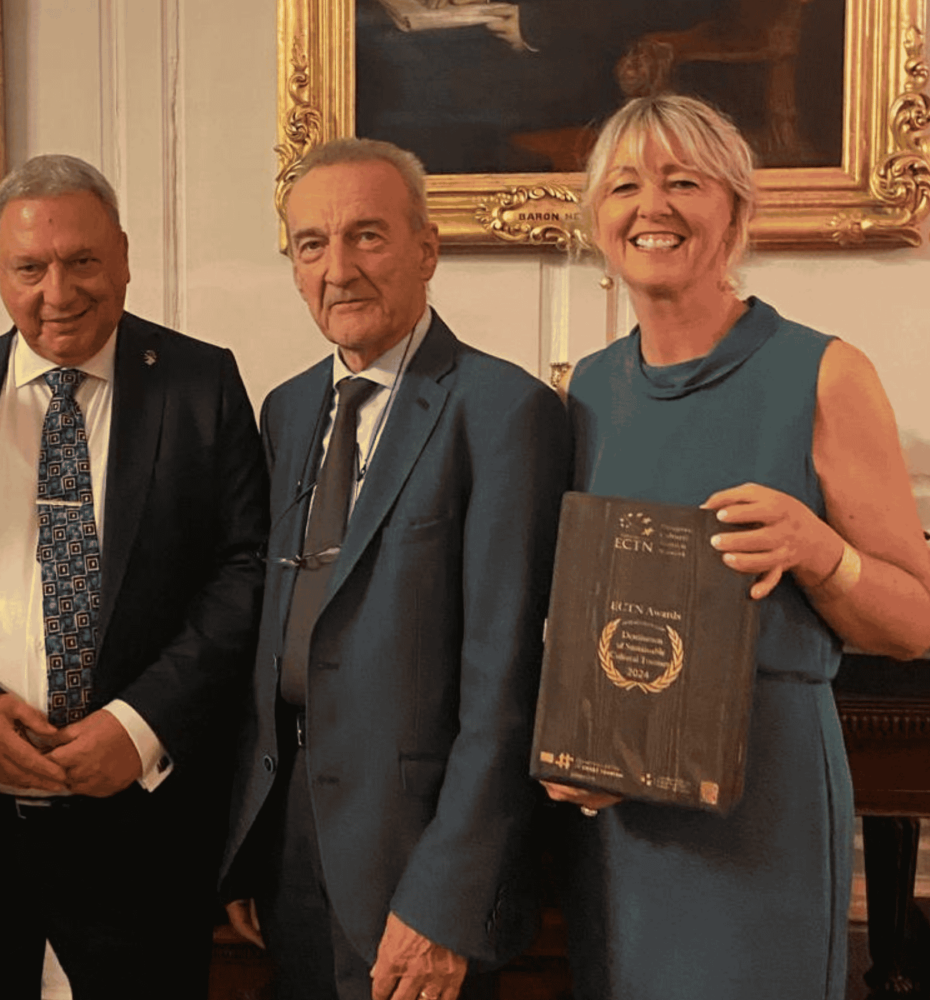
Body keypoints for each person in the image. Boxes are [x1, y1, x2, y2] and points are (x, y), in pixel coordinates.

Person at [549, 93, 930, 1000]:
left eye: (684, 182)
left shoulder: (824, 372)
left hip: (765, 803)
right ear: (597, 219)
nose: (653, 207)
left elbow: (918, 621)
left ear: (737, 211)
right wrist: (574, 748)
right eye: (625, 186)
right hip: (623, 812)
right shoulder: (585, 391)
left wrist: (820, 551)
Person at [0, 153, 267, 999]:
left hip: (142, 822)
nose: (58, 292)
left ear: (123, 257)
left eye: (82, 260)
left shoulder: (201, 386)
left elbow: (243, 571)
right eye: (30, 268)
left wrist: (138, 723)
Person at [220, 137, 571, 1000]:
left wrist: (447, 901)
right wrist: (251, 847)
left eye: (366, 236)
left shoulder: (504, 411)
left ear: (427, 250)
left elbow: (506, 692)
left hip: (418, 859)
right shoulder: (288, 409)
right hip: (292, 841)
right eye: (311, 244)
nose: (337, 269)